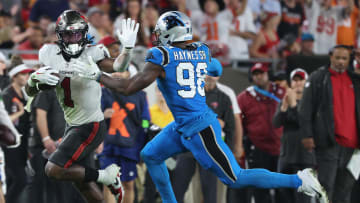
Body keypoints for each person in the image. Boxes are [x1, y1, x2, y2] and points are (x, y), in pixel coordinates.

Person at [73, 11, 329, 203]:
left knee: (235, 177)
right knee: (150, 154)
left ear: (169, 34)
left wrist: (95, 75)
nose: (157, 37)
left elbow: (128, 87)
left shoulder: (161, 56)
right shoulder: (201, 50)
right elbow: (215, 67)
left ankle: (300, 179)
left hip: (199, 127)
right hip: (183, 124)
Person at [24, 10, 140, 203]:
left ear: (85, 34)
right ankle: (102, 180)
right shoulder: (49, 53)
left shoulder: (93, 53)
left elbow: (118, 66)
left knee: (53, 169)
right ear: (60, 35)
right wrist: (32, 80)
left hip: (91, 125)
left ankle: (106, 176)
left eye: (78, 34)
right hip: (72, 124)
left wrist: (127, 50)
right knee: (83, 182)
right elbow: (30, 92)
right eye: (68, 34)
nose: (73, 39)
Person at [299, 44, 360, 203]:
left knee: (345, 188)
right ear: (331, 57)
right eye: (337, 57)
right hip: (328, 142)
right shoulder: (318, 77)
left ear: (349, 60)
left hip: (353, 148)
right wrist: (307, 135)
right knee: (325, 186)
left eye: (344, 58)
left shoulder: (355, 80)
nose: (340, 61)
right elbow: (305, 108)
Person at [99, 70, 150, 203]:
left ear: (129, 73)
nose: (117, 74)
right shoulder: (104, 93)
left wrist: (141, 143)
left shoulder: (141, 95)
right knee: (109, 183)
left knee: (128, 184)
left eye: (121, 71)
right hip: (109, 146)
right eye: (114, 71)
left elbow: (145, 121)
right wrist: (102, 116)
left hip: (130, 147)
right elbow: (93, 119)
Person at [237, 63, 284, 203]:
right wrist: (240, 144)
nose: (259, 77)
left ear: (268, 74)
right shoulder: (244, 97)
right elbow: (238, 121)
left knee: (283, 189)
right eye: (255, 74)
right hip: (258, 149)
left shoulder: (282, 92)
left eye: (261, 73)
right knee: (261, 190)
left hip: (281, 148)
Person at [273, 68, 315, 203]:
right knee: (284, 195)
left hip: (305, 157)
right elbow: (275, 123)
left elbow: (302, 123)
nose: (298, 83)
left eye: (301, 80)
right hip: (286, 156)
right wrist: (284, 108)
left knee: (303, 198)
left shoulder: (313, 102)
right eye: (295, 80)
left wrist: (292, 105)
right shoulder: (285, 100)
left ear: (306, 82)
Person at [1, 64, 33, 203]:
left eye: (27, 74)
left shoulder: (23, 94)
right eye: (23, 74)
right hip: (9, 143)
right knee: (20, 180)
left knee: (11, 179)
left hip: (21, 142)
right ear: (14, 77)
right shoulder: (8, 94)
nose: (26, 77)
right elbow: (4, 120)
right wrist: (20, 112)